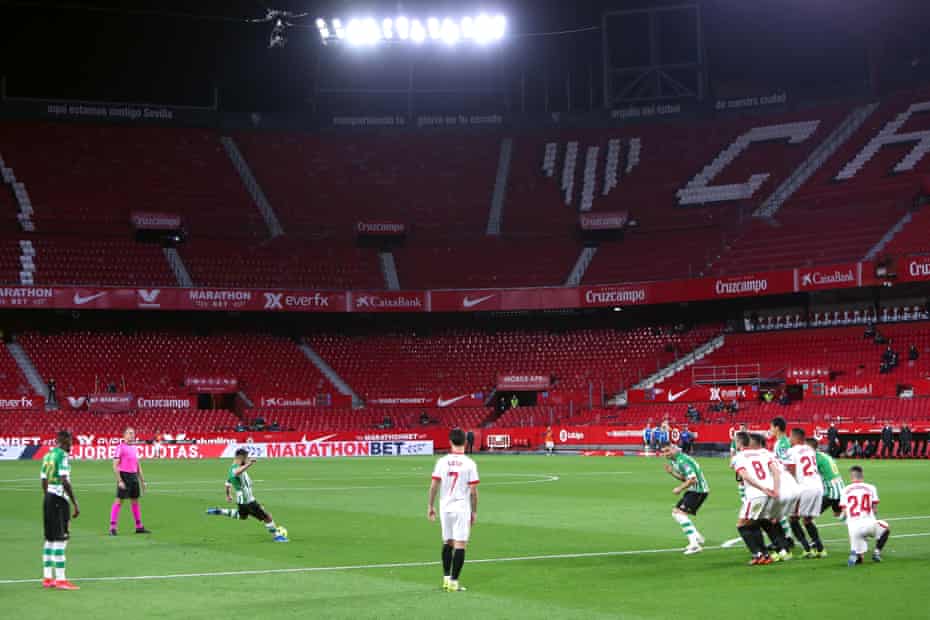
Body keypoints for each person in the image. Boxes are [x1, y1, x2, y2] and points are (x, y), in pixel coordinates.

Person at [428, 428, 479, 592]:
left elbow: (434, 485)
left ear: (450, 442)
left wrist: (430, 505)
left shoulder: (441, 461)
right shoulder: (470, 463)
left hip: (445, 507)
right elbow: (473, 491)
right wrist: (474, 511)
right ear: (465, 442)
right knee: (460, 545)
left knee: (447, 542)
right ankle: (454, 583)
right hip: (461, 508)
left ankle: (445, 578)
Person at [206, 449, 288, 542]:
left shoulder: (233, 468)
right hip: (247, 500)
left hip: (243, 500)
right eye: (246, 457)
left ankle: (220, 511)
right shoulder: (235, 468)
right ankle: (277, 536)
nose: (247, 459)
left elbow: (227, 483)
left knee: (242, 516)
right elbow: (237, 472)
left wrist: (228, 495)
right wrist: (250, 464)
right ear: (241, 457)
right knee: (267, 517)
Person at [729, 431, 778, 565]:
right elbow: (775, 470)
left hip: (756, 494)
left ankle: (757, 554)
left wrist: (761, 488)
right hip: (768, 492)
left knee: (741, 525)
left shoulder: (739, 457)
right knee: (754, 523)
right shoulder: (761, 453)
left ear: (738, 443)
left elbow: (744, 476)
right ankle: (765, 555)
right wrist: (775, 489)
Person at [40, 430, 80, 590]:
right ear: (64, 441)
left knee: (49, 539)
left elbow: (43, 479)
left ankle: (48, 577)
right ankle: (61, 580)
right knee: (61, 539)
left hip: (48, 498)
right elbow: (64, 480)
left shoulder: (47, 455)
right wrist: (74, 502)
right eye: (70, 441)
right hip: (59, 500)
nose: (71, 445)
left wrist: (48, 497)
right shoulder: (62, 455)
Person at [662, 442, 709, 555]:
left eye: (668, 450)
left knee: (679, 514)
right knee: (676, 513)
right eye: (664, 452)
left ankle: (694, 545)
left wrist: (679, 489)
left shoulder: (682, 460)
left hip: (699, 491)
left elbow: (692, 479)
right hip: (693, 490)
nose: (666, 454)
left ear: (673, 449)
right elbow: (685, 478)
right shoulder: (675, 460)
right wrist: (672, 473)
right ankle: (696, 537)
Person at [786, 429, 825, 558]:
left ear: (795, 438)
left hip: (804, 488)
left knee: (793, 518)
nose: (789, 438)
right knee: (807, 519)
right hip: (817, 486)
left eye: (790, 436)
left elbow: (791, 472)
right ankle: (820, 549)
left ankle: (807, 549)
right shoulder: (810, 450)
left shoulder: (791, 451)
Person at [841, 466, 890, 566]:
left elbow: (845, 512)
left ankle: (856, 553)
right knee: (886, 528)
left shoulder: (845, 490)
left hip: (853, 528)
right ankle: (876, 552)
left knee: (859, 552)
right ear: (862, 475)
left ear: (851, 477)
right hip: (869, 524)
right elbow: (875, 509)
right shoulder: (871, 488)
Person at [109, 427, 150, 536]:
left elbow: (138, 465)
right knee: (119, 501)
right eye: (129, 433)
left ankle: (139, 527)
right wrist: (120, 481)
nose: (132, 435)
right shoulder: (120, 447)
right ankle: (112, 527)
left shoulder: (134, 448)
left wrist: (143, 481)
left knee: (135, 501)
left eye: (133, 433)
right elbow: (115, 465)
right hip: (124, 476)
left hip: (133, 477)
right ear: (124, 435)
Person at [769, 417, 795, 544]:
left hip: (785, 480)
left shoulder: (782, 444)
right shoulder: (782, 442)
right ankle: (787, 537)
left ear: (777, 428)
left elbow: (788, 464)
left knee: (776, 510)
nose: (770, 429)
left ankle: (786, 538)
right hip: (785, 479)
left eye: (771, 427)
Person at [806, 438, 844, 519]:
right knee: (840, 515)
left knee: (808, 517)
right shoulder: (823, 455)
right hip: (839, 488)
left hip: (831, 491)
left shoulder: (814, 458)